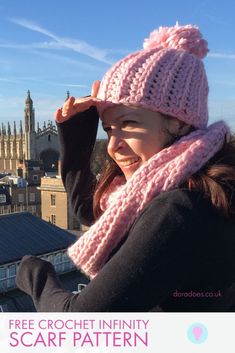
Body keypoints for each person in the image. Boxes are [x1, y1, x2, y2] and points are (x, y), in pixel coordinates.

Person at [16, 23, 235, 312]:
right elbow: (89, 210)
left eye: (129, 123)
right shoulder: (185, 180)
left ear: (180, 121)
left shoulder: (181, 209)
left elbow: (78, 324)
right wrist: (77, 128)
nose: (111, 145)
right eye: (108, 128)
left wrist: (33, 273)